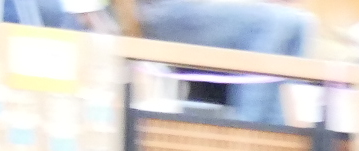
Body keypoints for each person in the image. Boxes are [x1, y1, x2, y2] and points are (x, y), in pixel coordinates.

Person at [135, 0, 320, 126]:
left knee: (301, 22)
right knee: (273, 22)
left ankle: (281, 139)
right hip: (168, 9)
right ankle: (248, 133)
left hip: (214, 10)